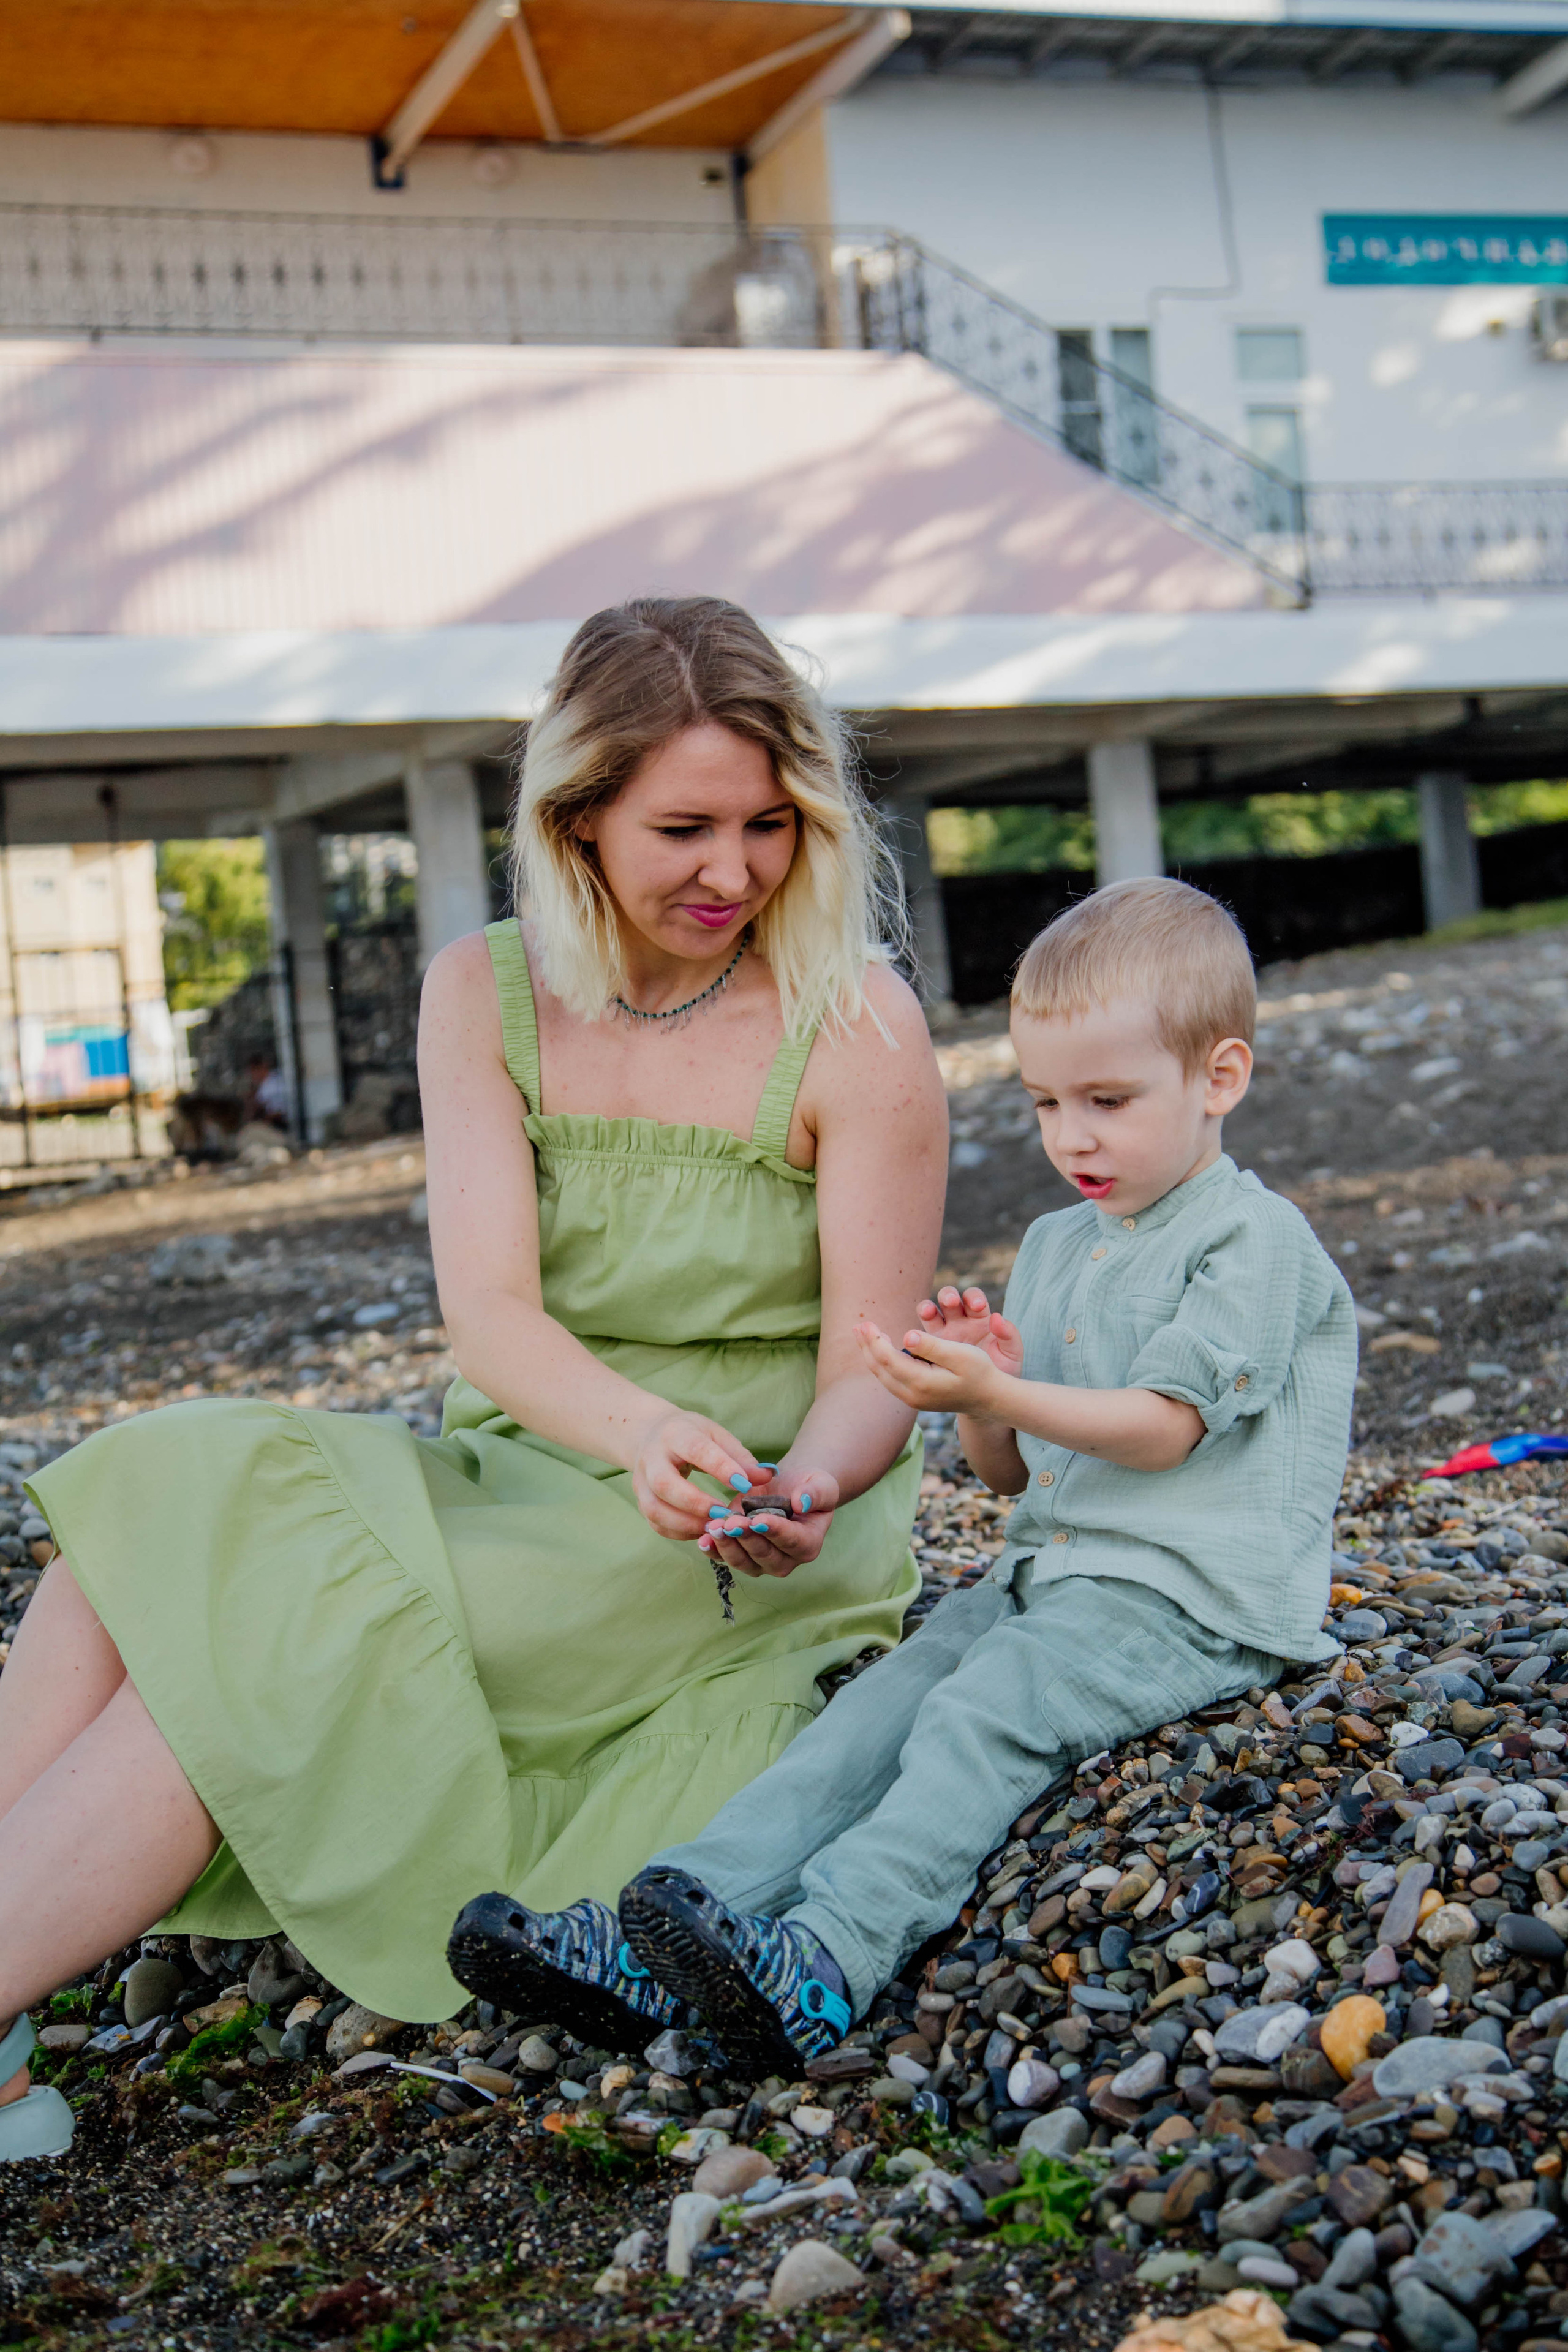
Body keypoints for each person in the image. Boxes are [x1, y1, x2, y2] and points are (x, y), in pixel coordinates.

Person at [0, 597, 948, 2161]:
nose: (735, 871)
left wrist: (808, 1487)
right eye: (685, 827)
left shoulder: (858, 1025)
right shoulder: (483, 992)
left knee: (256, 1652)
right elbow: (492, 1318)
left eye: (771, 824)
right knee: (148, 1523)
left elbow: (877, 1358)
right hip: (533, 1461)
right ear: (574, 821)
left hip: (732, 1536)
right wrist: (631, 1427)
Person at [494, 877, 1358, 2073]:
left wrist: (997, 1392)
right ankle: (668, 1921)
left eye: (1107, 1101)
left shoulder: (1248, 1244)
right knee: (874, 1714)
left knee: (978, 1720)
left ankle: (826, 1962)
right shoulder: (1059, 1245)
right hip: (1047, 1580)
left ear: (1217, 1079)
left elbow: (1163, 1429)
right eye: (1047, 1102)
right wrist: (975, 1394)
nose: (1072, 1138)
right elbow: (1013, 1478)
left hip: (1193, 1600)